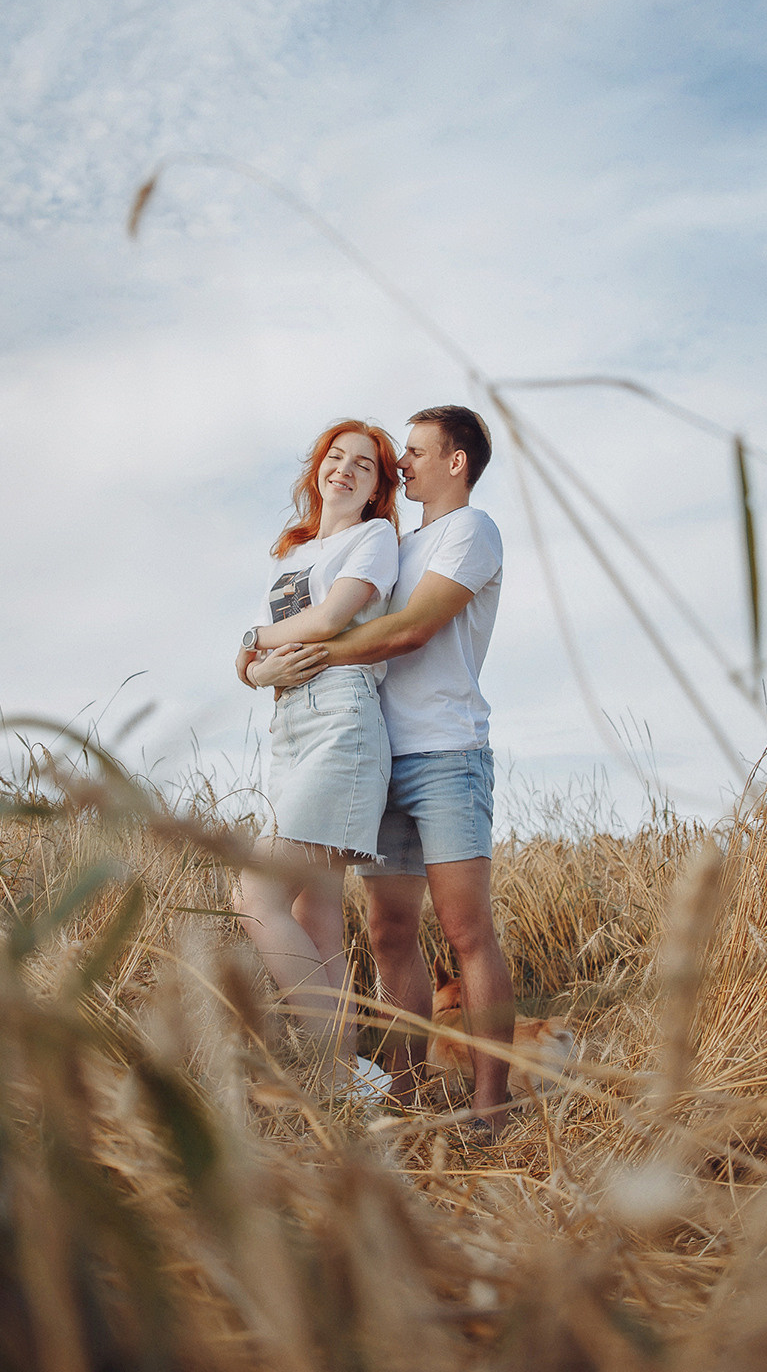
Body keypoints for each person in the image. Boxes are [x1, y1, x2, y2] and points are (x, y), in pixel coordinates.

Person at [259, 406, 513, 1136]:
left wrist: (305, 657)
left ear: (456, 462)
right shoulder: (396, 545)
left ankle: (490, 1106)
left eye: (416, 451)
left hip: (447, 752)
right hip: (380, 754)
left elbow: (412, 629)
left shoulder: (471, 531)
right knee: (388, 932)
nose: (403, 464)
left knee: (466, 930)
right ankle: (404, 1095)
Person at [234, 419, 405, 1100]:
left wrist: (253, 641)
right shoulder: (293, 554)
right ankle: (346, 1083)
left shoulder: (374, 538)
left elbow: (331, 620)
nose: (345, 470)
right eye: (336, 457)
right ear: (318, 469)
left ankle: (333, 1071)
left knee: (255, 896)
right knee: (316, 912)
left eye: (364, 465)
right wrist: (258, 669)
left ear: (377, 488)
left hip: (341, 717)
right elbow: (251, 665)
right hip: (289, 724)